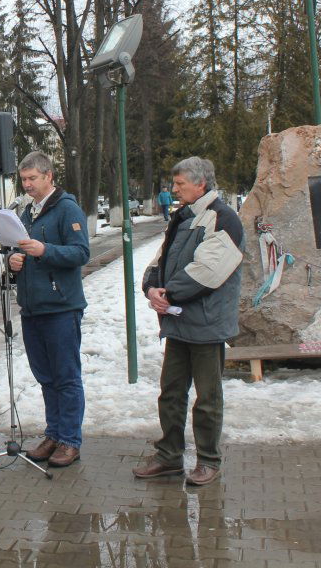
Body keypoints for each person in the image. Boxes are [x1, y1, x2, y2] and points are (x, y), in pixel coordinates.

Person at [135, 157, 244, 487]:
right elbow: (160, 259)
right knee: (170, 392)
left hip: (206, 325)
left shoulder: (224, 219)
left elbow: (208, 272)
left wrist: (168, 294)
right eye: (175, 183)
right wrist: (152, 287)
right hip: (178, 322)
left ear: (201, 184)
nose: (174, 189)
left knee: (207, 398)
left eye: (180, 184)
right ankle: (169, 456)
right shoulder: (182, 218)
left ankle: (209, 460)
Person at [7, 151, 90, 469]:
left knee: (66, 376)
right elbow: (18, 247)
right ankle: (54, 433)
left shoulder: (66, 208)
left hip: (60, 307)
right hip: (32, 306)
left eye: (32, 179)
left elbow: (81, 252)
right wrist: (13, 261)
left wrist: (45, 251)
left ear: (49, 176)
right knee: (46, 377)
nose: (27, 185)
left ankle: (70, 440)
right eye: (24, 179)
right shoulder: (28, 212)